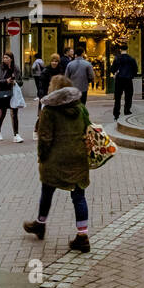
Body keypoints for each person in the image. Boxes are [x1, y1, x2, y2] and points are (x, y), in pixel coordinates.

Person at [23, 76, 93, 253]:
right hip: (78, 157)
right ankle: (83, 235)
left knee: (47, 192)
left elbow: (44, 138)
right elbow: (89, 129)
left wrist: (42, 157)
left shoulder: (49, 111)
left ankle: (40, 223)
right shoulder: (80, 108)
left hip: (55, 159)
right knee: (79, 196)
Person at [0, 51, 25, 142]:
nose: (5, 59)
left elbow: (21, 82)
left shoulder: (16, 68)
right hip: (2, 93)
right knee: (2, 113)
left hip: (13, 93)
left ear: (11, 59)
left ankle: (16, 135)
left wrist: (15, 82)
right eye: (4, 57)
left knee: (14, 114)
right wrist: (5, 81)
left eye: (7, 57)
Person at [111, 44, 138, 119]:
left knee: (117, 97)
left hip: (119, 79)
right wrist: (131, 75)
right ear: (127, 49)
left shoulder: (117, 58)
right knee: (128, 96)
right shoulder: (131, 59)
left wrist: (115, 73)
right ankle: (127, 110)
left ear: (120, 49)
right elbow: (135, 70)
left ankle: (116, 113)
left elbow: (113, 69)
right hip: (128, 80)